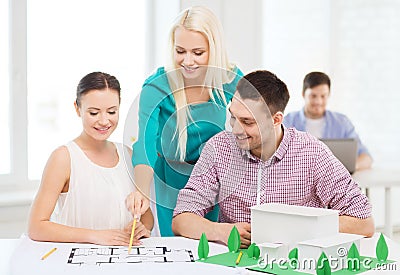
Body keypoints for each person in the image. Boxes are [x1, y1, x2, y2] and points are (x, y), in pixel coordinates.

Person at [172, 70, 374, 247]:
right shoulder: (219, 148)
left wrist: (296, 227)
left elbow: (364, 223)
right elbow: (182, 218)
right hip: (234, 263)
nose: (235, 129)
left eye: (248, 122)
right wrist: (220, 231)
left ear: (276, 119)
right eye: (233, 117)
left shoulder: (312, 153)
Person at [127, 6, 243, 236]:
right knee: (179, 248)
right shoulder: (156, 86)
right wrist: (140, 191)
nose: (187, 61)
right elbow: (145, 146)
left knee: (215, 246)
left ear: (214, 50)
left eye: (198, 52)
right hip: (171, 180)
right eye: (180, 51)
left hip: (215, 180)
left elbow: (254, 124)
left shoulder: (231, 80)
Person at [28, 72, 153, 245]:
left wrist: (142, 227)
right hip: (77, 263)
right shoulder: (64, 158)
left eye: (111, 111)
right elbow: (36, 227)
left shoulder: (127, 155)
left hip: (121, 260)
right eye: (94, 113)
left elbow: (147, 217)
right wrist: (96, 236)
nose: (104, 121)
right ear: (77, 108)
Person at [284, 72, 372, 171]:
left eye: (323, 96)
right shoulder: (287, 122)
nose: (318, 102)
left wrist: (346, 168)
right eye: (313, 96)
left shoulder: (342, 122)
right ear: (303, 94)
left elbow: (366, 158)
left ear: (329, 95)